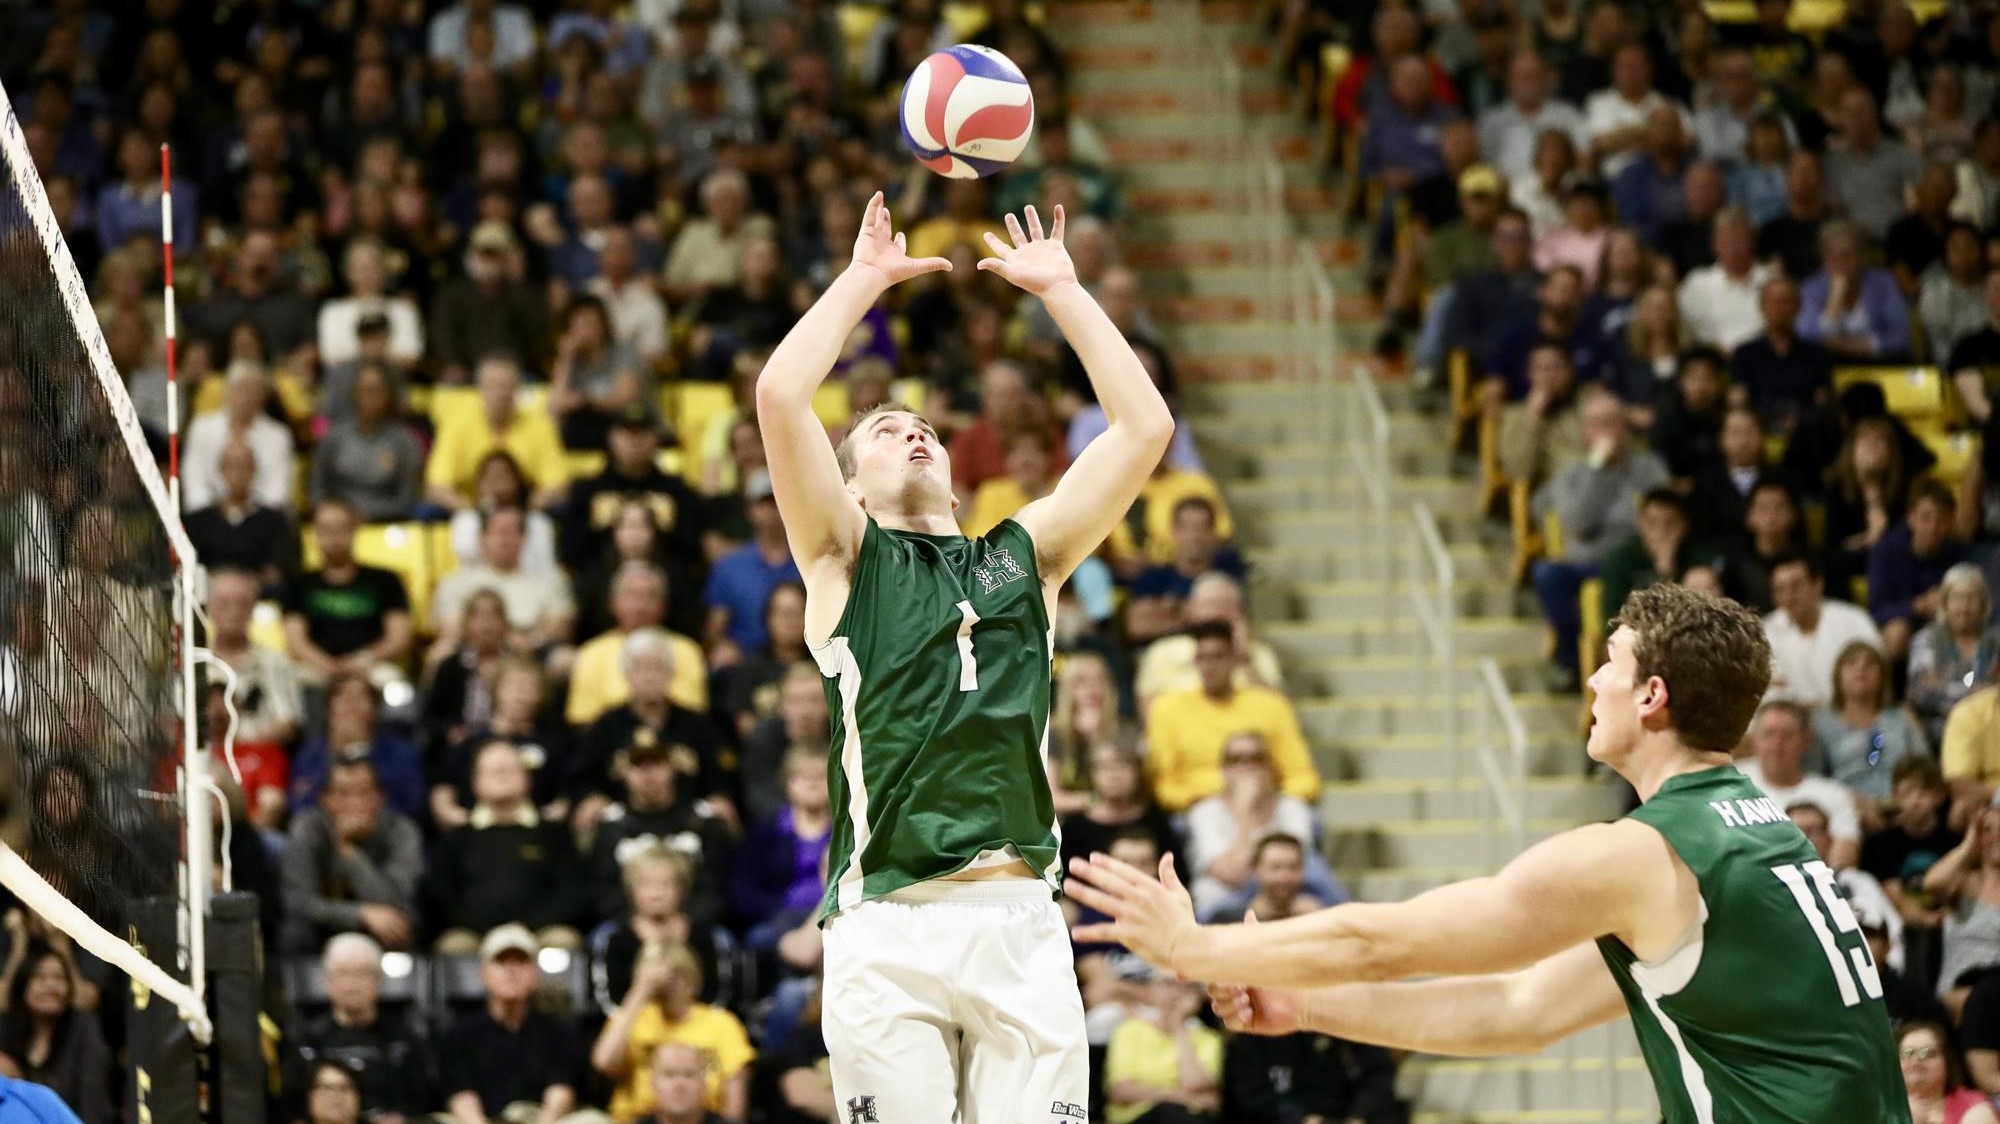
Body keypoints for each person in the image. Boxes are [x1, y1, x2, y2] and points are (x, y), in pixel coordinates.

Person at [1065, 584, 1909, 1123]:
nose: (1590, 683)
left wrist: (1197, 946)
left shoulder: (1647, 853)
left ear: (1652, 697)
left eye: (1608, 665)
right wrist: (1307, 1008)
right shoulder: (1758, 827)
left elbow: (1384, 941)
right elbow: (1517, 1011)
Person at [754, 196, 1173, 1120]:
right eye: (885, 432)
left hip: (1020, 918)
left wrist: (1065, 292)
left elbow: (1144, 431)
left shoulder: (1027, 555)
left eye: (925, 429)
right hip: (888, 922)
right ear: (851, 487)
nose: (915, 433)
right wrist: (863, 280)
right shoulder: (844, 560)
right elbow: (780, 396)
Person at [0, 949, 110, 1124]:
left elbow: (94, 1102)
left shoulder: (83, 1027)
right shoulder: (8, 1030)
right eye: (40, 978)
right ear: (23, 985)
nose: (51, 986)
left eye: (59, 978)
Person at [1898, 1020, 1999, 1124]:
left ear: (1947, 1063)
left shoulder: (1974, 1107)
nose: (1916, 1060)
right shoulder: (1883, 1107)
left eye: (1927, 1053)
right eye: (1907, 1054)